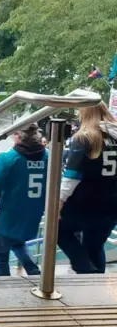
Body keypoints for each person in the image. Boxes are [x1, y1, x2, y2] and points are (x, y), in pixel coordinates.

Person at [58, 102, 117, 273]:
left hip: (86, 202)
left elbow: (71, 176)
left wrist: (59, 202)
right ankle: (95, 285)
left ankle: (86, 271)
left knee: (59, 231)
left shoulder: (85, 137)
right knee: (95, 245)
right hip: (112, 202)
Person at [0, 123, 48, 277]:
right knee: (18, 243)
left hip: (9, 215)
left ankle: (6, 288)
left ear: (18, 136)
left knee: (0, 257)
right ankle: (35, 273)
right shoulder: (48, 156)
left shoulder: (8, 158)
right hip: (33, 214)